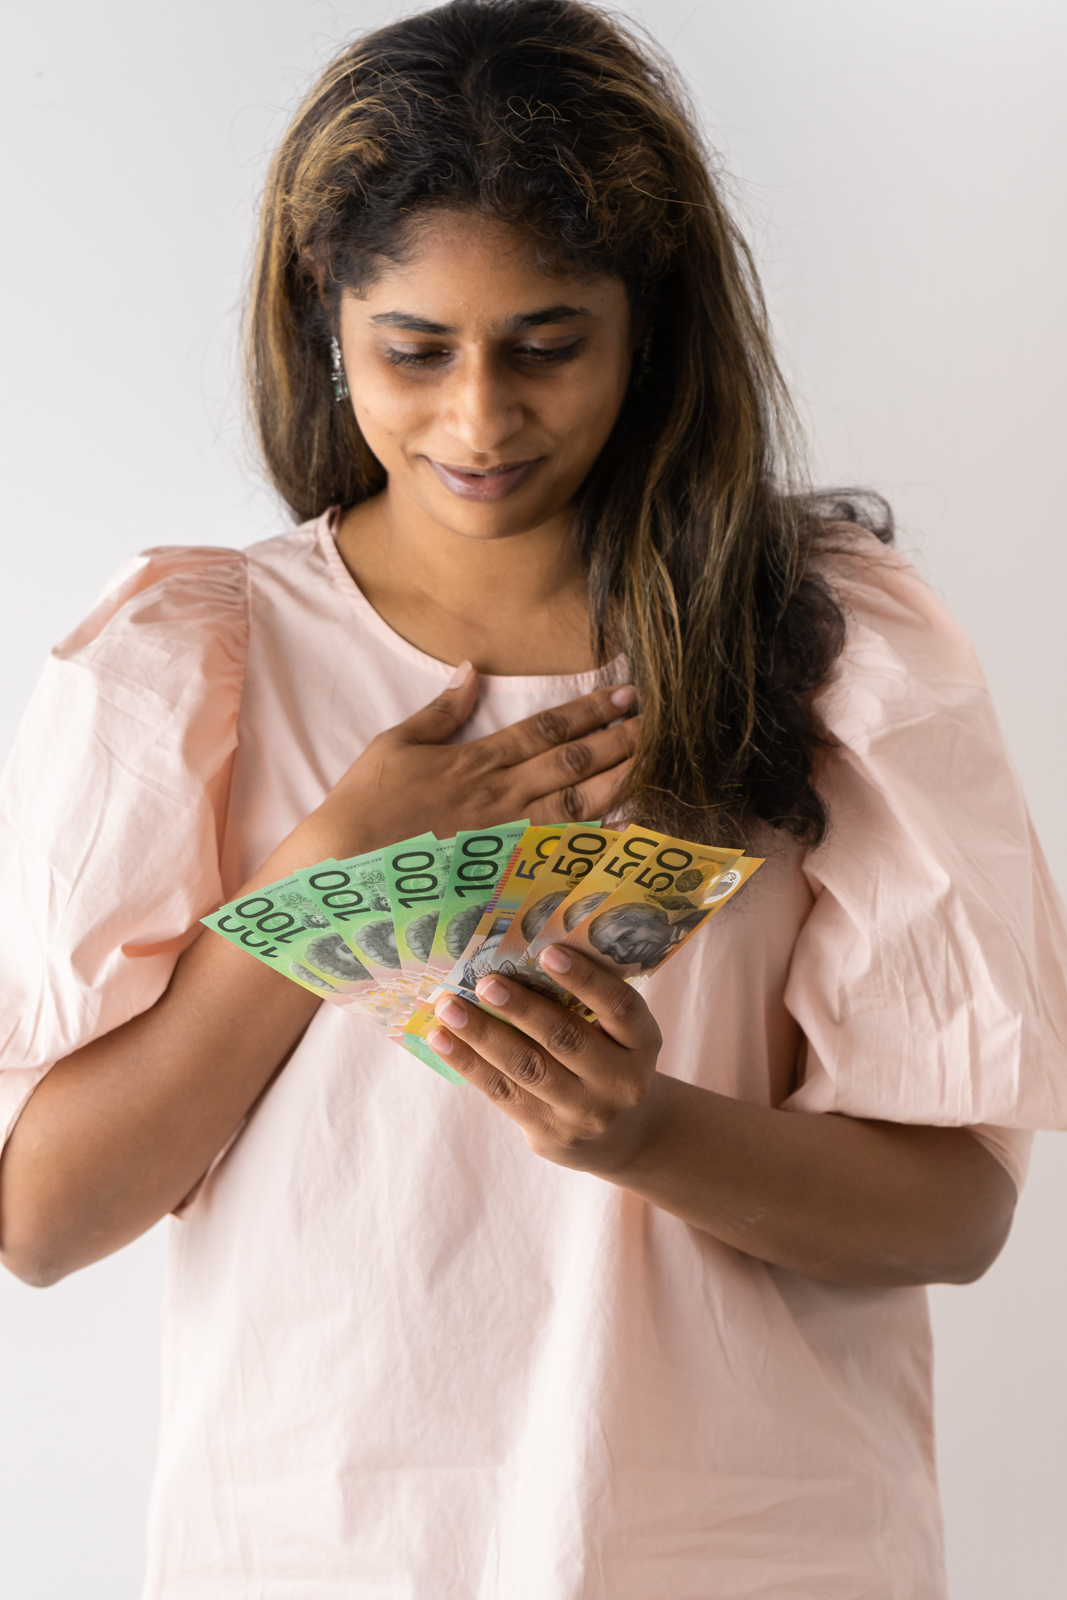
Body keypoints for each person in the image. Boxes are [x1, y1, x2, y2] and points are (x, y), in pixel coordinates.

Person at [1, 1, 1065, 1594]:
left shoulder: (842, 645)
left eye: (548, 344)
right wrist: (320, 872)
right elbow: (47, 1219)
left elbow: (953, 1218)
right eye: (414, 351)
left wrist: (645, 1131)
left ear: (651, 322)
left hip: (746, 1548)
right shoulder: (191, 660)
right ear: (325, 319)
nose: (481, 422)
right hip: (317, 1542)